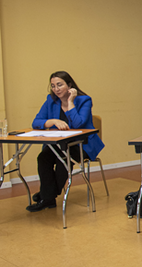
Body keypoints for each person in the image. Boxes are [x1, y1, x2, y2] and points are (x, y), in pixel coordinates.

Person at [27, 71, 105, 212]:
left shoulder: (84, 100)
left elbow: (78, 124)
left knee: (63, 158)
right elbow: (36, 122)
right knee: (43, 157)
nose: (56, 89)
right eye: (53, 86)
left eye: (59, 85)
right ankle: (48, 197)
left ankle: (47, 197)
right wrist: (52, 121)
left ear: (69, 85)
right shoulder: (50, 101)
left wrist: (70, 102)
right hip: (59, 144)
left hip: (82, 144)